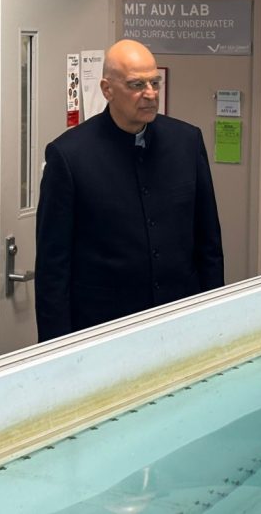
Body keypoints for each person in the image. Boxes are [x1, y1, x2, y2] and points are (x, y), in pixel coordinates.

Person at [34, 39, 224, 342]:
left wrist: (215, 320)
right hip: (103, 328)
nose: (150, 94)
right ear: (107, 89)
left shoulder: (186, 142)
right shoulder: (69, 156)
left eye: (154, 83)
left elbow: (208, 243)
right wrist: (56, 350)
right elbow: (52, 268)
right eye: (137, 85)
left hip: (179, 320)